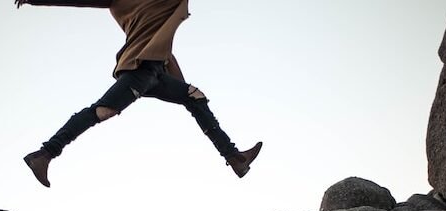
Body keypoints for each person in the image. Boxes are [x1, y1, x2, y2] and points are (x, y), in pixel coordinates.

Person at [15, 0, 263, 187]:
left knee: (194, 96)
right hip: (139, 68)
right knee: (102, 111)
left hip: (156, 71)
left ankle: (235, 158)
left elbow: (162, 45)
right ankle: (45, 154)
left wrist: (180, 86)